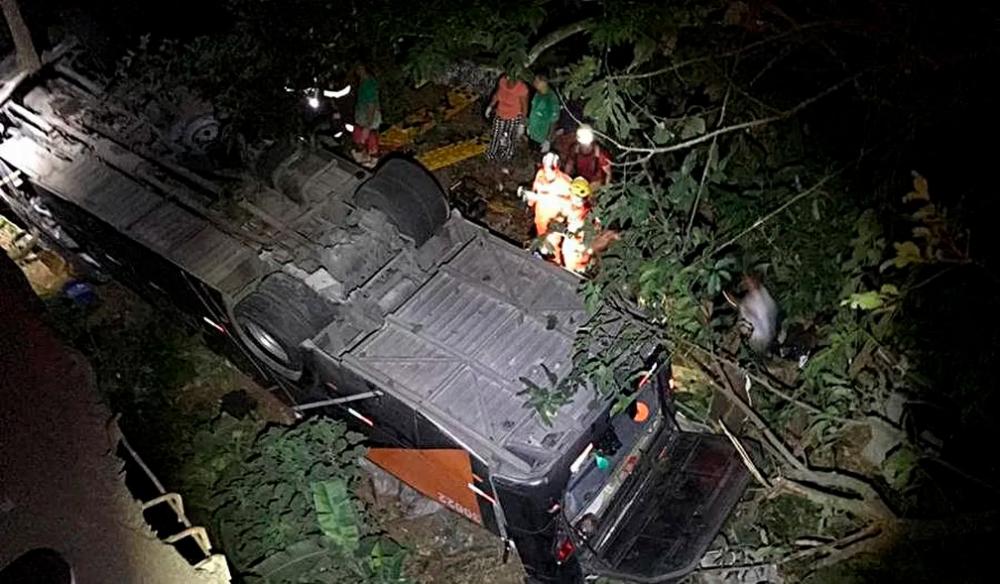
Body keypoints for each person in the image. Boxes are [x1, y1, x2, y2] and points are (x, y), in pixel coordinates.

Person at [560, 177, 620, 273]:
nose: (580, 200)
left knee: (612, 236)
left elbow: (597, 221)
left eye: (583, 198)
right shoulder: (568, 208)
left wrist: (598, 223)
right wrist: (571, 236)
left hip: (586, 243)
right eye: (578, 197)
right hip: (574, 247)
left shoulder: (588, 208)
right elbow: (557, 227)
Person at [525, 152, 572, 238]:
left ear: (557, 167)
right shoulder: (541, 174)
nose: (548, 171)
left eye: (551, 168)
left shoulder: (566, 183)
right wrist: (530, 203)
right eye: (546, 168)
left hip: (554, 223)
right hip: (540, 217)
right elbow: (535, 188)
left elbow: (573, 204)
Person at [485, 73, 529, 162]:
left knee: (510, 137)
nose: (508, 79)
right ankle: (491, 153)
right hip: (500, 113)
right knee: (496, 134)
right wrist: (490, 106)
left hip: (514, 116)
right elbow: (497, 94)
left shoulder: (522, 88)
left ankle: (507, 155)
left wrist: (522, 124)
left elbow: (524, 107)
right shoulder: (502, 81)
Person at [564, 124, 612, 190]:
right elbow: (568, 166)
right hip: (580, 181)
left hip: (595, 182)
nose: (585, 146)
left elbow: (608, 174)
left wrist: (606, 190)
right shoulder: (575, 149)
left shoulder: (600, 153)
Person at [353, 64, 381, 163]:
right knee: (364, 140)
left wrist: (368, 124)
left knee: (367, 141)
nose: (357, 71)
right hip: (364, 118)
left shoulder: (368, 84)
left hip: (367, 120)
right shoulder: (364, 82)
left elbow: (371, 105)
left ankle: (370, 161)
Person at [526, 74, 561, 153]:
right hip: (532, 133)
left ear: (544, 82)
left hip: (542, 137)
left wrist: (548, 140)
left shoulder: (552, 99)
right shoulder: (537, 94)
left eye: (537, 81)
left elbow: (554, 121)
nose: (534, 83)